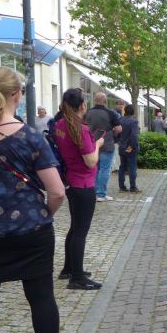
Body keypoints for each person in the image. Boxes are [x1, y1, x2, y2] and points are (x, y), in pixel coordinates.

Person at [0, 67, 66, 333]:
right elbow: (57, 191)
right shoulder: (31, 137)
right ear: (16, 95)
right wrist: (44, 214)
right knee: (41, 297)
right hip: (31, 231)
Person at [55, 88, 105, 290]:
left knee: (75, 227)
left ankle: (69, 268)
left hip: (71, 181)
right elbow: (90, 161)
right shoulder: (81, 129)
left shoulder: (61, 124)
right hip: (83, 184)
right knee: (80, 232)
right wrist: (98, 144)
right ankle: (77, 277)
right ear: (83, 106)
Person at [84, 92, 122, 202]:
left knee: (94, 169)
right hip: (106, 143)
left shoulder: (87, 112)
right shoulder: (111, 113)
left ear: (94, 100)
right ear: (105, 101)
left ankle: (94, 193)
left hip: (91, 144)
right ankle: (101, 194)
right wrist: (114, 133)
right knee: (104, 169)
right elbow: (119, 128)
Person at [117, 104, 140, 193]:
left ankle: (122, 187)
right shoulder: (134, 122)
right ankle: (133, 187)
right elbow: (134, 135)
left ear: (125, 111)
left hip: (121, 147)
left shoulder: (120, 120)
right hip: (130, 148)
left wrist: (119, 141)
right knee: (132, 167)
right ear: (133, 112)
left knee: (122, 167)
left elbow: (116, 132)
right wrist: (132, 146)